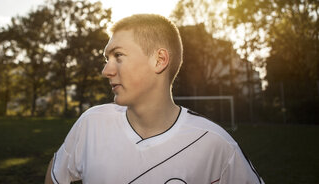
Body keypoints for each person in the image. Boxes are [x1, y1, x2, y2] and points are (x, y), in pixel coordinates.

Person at [45, 14, 264, 184]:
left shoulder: (216, 144)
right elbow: (56, 174)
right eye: (107, 59)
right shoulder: (91, 123)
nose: (106, 70)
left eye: (118, 56)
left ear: (159, 60)